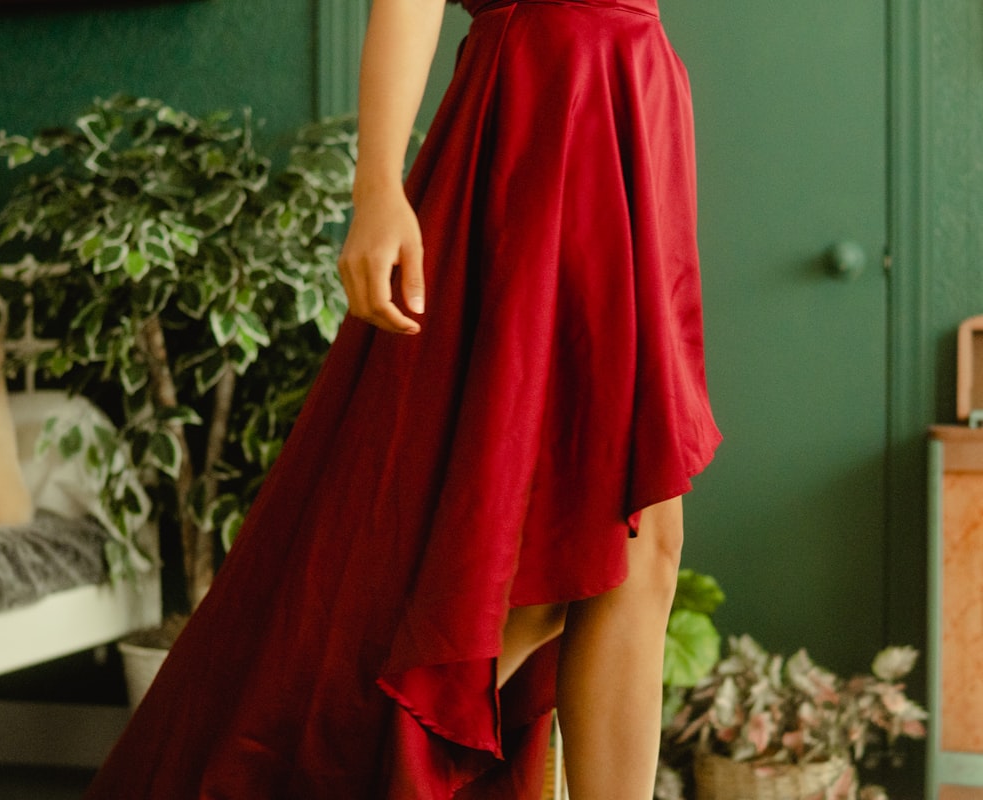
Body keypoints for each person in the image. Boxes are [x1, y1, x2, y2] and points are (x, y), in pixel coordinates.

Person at [84, 0, 720, 797]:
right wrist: (378, 185)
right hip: (551, 102)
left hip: (633, 100)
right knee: (574, 554)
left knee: (641, 545)